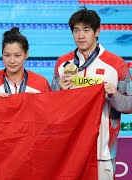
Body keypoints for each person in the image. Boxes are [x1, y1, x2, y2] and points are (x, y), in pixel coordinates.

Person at [51, 7, 132, 180]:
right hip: (69, 148)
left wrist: (114, 96)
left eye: (86, 30)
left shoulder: (116, 64)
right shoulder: (62, 63)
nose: (81, 35)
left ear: (97, 31)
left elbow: (130, 104)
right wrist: (59, 92)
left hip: (103, 149)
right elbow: (51, 107)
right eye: (76, 30)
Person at [0, 27, 51, 98]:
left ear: (26, 54)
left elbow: (49, 109)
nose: (12, 61)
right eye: (7, 55)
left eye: (17, 55)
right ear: (2, 55)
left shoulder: (41, 83)